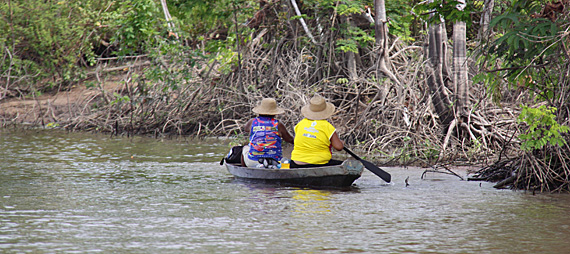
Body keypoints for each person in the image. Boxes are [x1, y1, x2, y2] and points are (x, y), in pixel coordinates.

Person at [290, 95, 344, 168]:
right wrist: (341, 142)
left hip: (296, 162)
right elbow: (339, 147)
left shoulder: (300, 124)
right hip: (319, 163)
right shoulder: (327, 126)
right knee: (345, 165)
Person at [241, 98, 294, 168]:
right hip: (275, 159)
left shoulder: (252, 121)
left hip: (254, 160)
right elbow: (289, 139)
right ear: (274, 113)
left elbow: (246, 129)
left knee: (245, 148)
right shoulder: (278, 124)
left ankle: (245, 169)